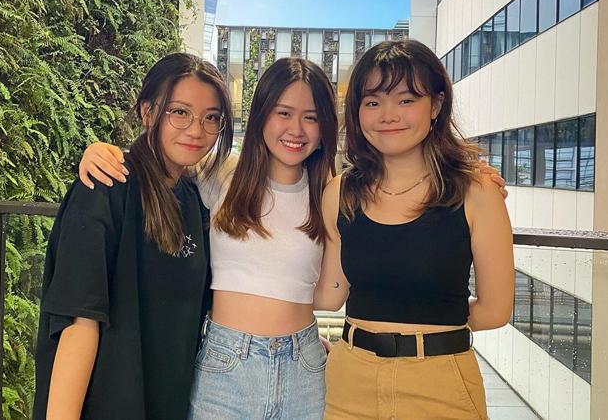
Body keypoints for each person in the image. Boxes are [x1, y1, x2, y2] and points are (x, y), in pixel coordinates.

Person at [78, 55, 508, 420]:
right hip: (226, 363)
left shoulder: (336, 192)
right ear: (261, 114)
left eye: (311, 117)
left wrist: (474, 178)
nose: (296, 129)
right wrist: (104, 151)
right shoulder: (218, 175)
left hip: (306, 363)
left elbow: (332, 292)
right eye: (283, 112)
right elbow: (162, 163)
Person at [313, 39, 515, 420]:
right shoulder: (340, 192)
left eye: (406, 100)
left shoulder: (477, 191)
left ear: (436, 105)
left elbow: (496, 310)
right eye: (373, 102)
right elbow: (331, 292)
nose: (388, 115)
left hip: (440, 382)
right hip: (350, 380)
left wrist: (426, 321)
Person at [33, 53, 233, 420]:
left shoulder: (196, 199)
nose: (196, 130)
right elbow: (79, 322)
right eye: (180, 112)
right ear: (147, 112)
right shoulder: (106, 186)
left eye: (211, 117)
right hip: (105, 405)